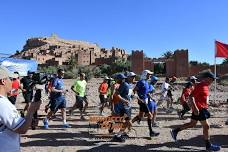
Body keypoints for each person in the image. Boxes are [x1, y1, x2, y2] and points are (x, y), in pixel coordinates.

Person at [170, 71, 221, 151]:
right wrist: (195, 108)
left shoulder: (206, 86)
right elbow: (191, 97)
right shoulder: (200, 85)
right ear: (207, 78)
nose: (213, 81)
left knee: (192, 124)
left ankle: (175, 131)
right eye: (212, 79)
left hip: (202, 108)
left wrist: (208, 104)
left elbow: (202, 97)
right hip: (199, 109)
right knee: (206, 126)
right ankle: (208, 146)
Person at [0, 66, 41, 152]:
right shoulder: (2, 103)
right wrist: (31, 111)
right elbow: (22, 129)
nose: (13, 82)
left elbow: (7, 125)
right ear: (3, 81)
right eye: (11, 79)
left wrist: (28, 121)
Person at [132, 70, 159, 138]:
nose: (150, 76)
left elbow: (147, 93)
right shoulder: (141, 82)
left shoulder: (146, 82)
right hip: (142, 102)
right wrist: (138, 99)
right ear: (145, 74)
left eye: (150, 74)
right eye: (149, 74)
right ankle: (151, 132)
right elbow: (134, 90)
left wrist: (151, 98)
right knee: (150, 115)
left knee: (140, 116)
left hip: (145, 101)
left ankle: (128, 124)